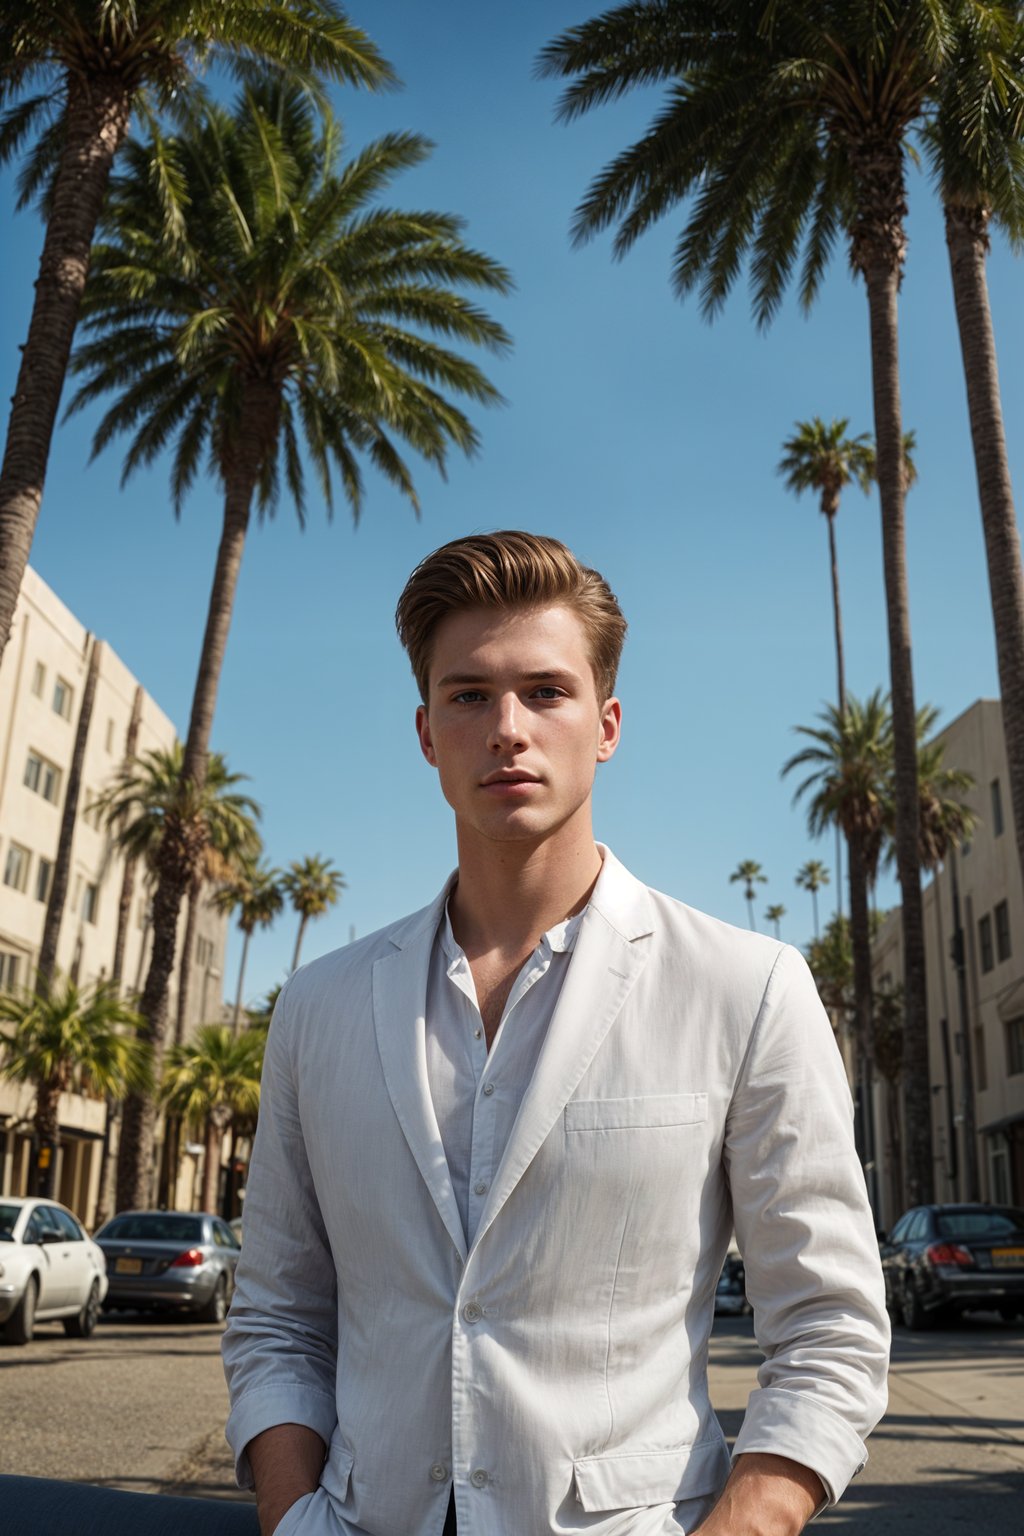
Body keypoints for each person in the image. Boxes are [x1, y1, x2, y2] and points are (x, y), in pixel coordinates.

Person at [222, 530, 890, 1536]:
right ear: (424, 732)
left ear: (606, 723)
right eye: (468, 695)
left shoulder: (744, 987)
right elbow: (277, 1314)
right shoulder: (318, 1008)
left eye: (544, 691)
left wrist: (745, 1522)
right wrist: (290, 1516)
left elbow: (830, 1326)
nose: (506, 728)